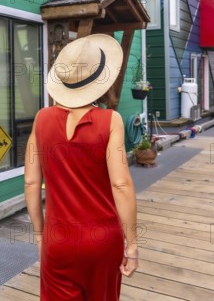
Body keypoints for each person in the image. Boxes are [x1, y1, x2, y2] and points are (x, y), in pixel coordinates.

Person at [24, 34, 139, 301]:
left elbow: (31, 182)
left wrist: (41, 235)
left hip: (58, 240)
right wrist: (132, 246)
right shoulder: (111, 121)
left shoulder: (41, 119)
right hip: (102, 240)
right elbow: (120, 185)